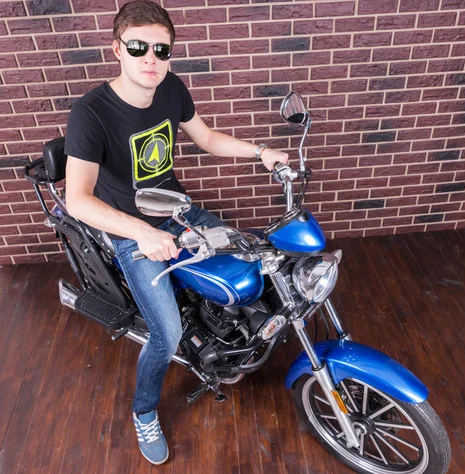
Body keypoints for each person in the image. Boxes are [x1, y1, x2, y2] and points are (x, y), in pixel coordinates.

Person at [64, 0, 289, 465]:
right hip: (130, 230)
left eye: (161, 49)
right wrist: (140, 233)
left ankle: (221, 337)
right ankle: (143, 410)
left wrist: (261, 151)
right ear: (117, 49)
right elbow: (78, 200)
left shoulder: (170, 88)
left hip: (179, 211)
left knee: (257, 261)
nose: (151, 58)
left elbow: (205, 138)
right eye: (138, 46)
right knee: (165, 336)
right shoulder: (91, 113)